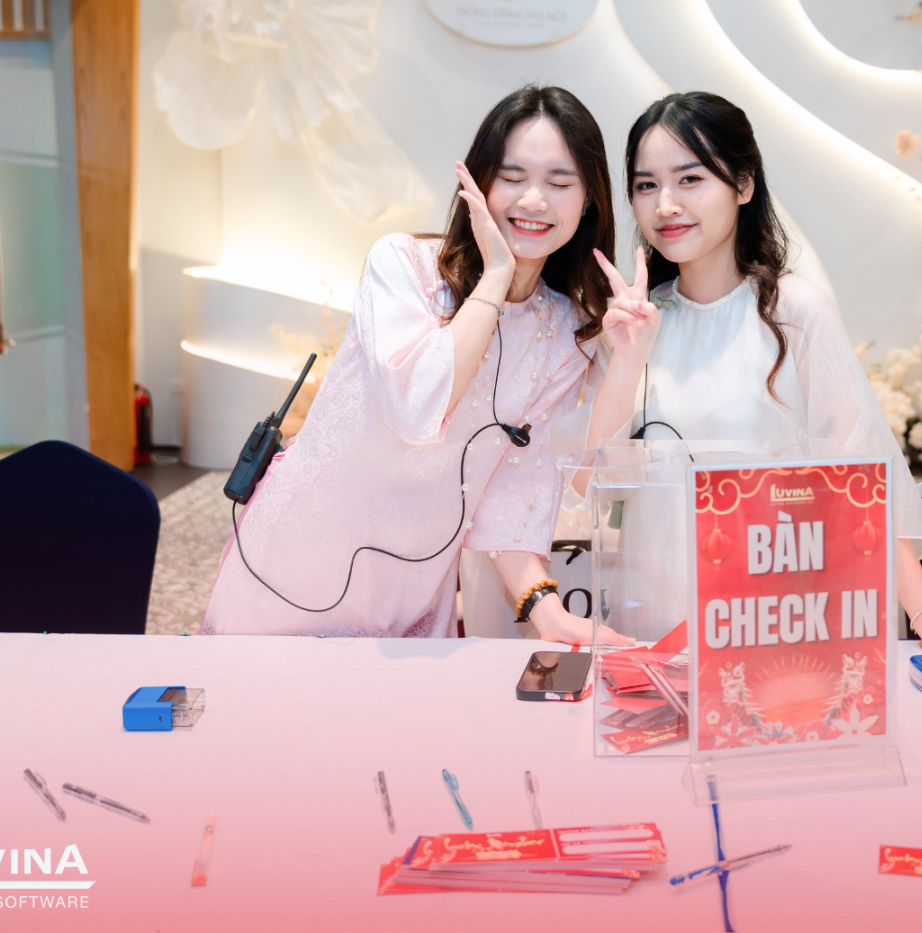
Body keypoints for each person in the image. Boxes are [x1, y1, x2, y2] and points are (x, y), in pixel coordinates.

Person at [570, 91, 922, 667]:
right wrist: (626, 360)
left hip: (773, 624)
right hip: (654, 625)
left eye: (690, 179)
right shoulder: (635, 323)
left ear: (744, 185)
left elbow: (861, 480)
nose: (666, 204)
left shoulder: (795, 310)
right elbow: (595, 485)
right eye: (647, 185)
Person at [200, 86, 638, 645]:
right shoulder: (402, 265)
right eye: (512, 176)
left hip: (414, 592)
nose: (534, 200)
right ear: (478, 182)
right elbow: (416, 408)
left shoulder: (562, 329)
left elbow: (512, 492)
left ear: (589, 200)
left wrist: (545, 610)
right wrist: (497, 277)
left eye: (560, 182)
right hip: (295, 565)